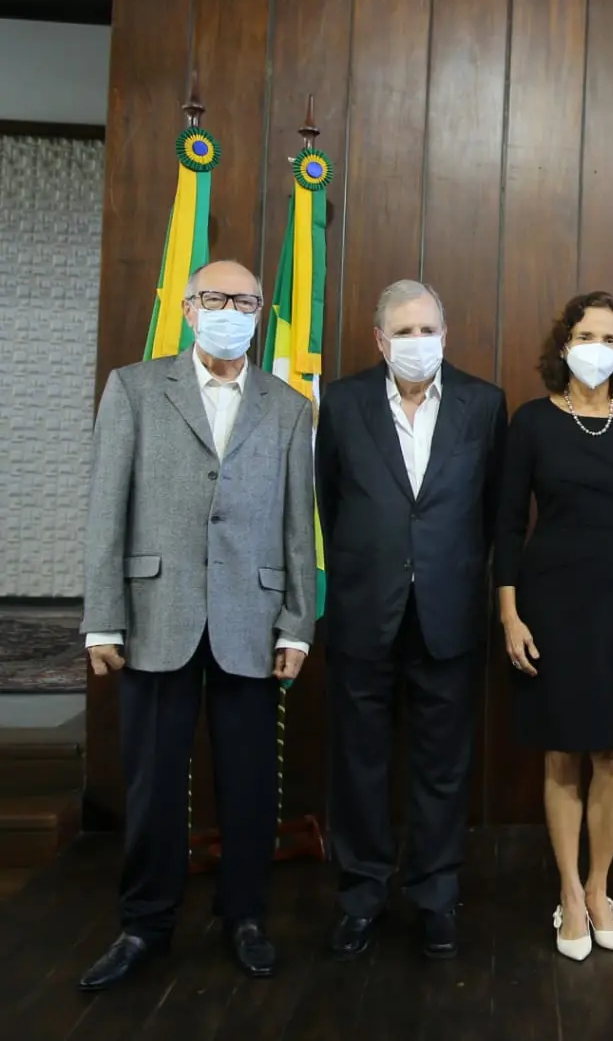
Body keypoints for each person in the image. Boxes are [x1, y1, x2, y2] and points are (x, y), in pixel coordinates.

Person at [77, 259, 316, 990]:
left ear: (259, 314)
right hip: (155, 614)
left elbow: (298, 524)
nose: (231, 310)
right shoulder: (137, 387)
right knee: (151, 781)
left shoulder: (287, 405)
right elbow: (104, 509)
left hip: (253, 616)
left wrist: (297, 622)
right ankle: (144, 923)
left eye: (245, 301)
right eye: (216, 298)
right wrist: (101, 620)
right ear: (187, 309)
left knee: (249, 783)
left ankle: (243, 915)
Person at [316, 280, 507, 961]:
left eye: (428, 329)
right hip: (363, 612)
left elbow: (491, 512)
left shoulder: (484, 405)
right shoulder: (340, 403)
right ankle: (362, 894)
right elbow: (328, 502)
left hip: (448, 614)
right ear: (379, 339)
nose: (417, 342)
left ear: (446, 335)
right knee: (360, 763)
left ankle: (434, 893)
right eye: (404, 331)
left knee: (442, 765)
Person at [495, 293, 613, 962]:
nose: (598, 345)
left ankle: (602, 886)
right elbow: (509, 523)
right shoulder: (534, 421)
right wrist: (509, 612)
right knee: (562, 750)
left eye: (609, 336)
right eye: (586, 333)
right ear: (563, 343)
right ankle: (568, 891)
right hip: (551, 604)